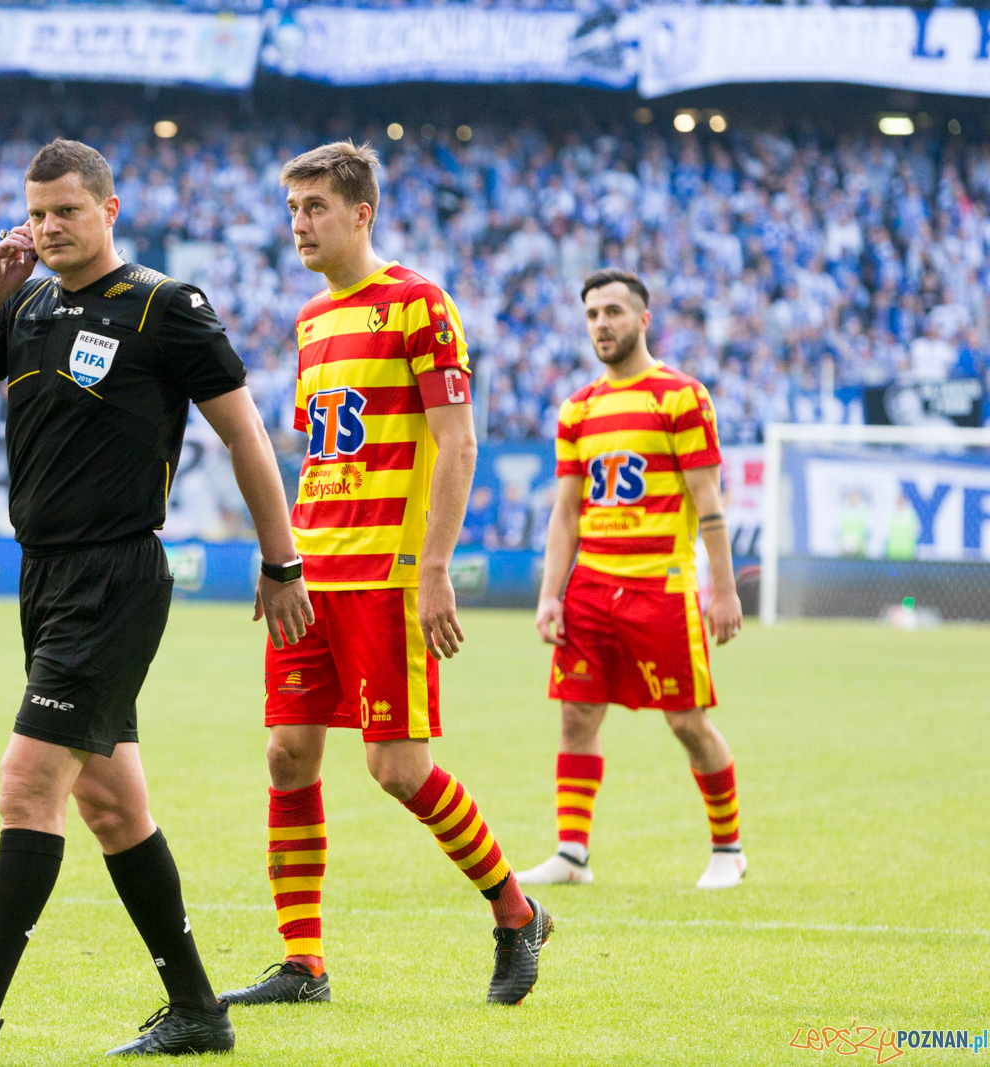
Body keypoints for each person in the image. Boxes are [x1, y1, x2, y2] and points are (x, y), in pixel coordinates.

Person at [0, 139, 312, 1062]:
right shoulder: (23, 300)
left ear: (109, 210)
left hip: (114, 575)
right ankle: (197, 1008)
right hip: (46, 577)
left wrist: (281, 563)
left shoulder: (165, 305)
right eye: (37, 210)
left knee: (27, 782)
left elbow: (245, 435)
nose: (49, 226)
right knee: (114, 807)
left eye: (67, 209)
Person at [218, 141, 552, 1012]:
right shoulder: (311, 320)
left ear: (361, 213)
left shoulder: (419, 304)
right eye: (293, 209)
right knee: (288, 754)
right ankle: (302, 963)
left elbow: (458, 441)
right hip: (314, 576)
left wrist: (434, 566)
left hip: (387, 577)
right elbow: (316, 456)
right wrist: (282, 555)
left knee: (399, 768)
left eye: (316, 207)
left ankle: (515, 913)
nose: (300, 224)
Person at [517, 268, 748, 892]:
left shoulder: (680, 396)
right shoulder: (579, 407)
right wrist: (549, 595)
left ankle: (728, 848)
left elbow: (709, 503)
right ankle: (571, 854)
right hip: (590, 589)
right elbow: (566, 512)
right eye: (593, 314)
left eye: (614, 312)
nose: (602, 324)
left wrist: (722, 590)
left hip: (659, 588)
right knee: (576, 717)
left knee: (687, 723)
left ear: (643, 320)